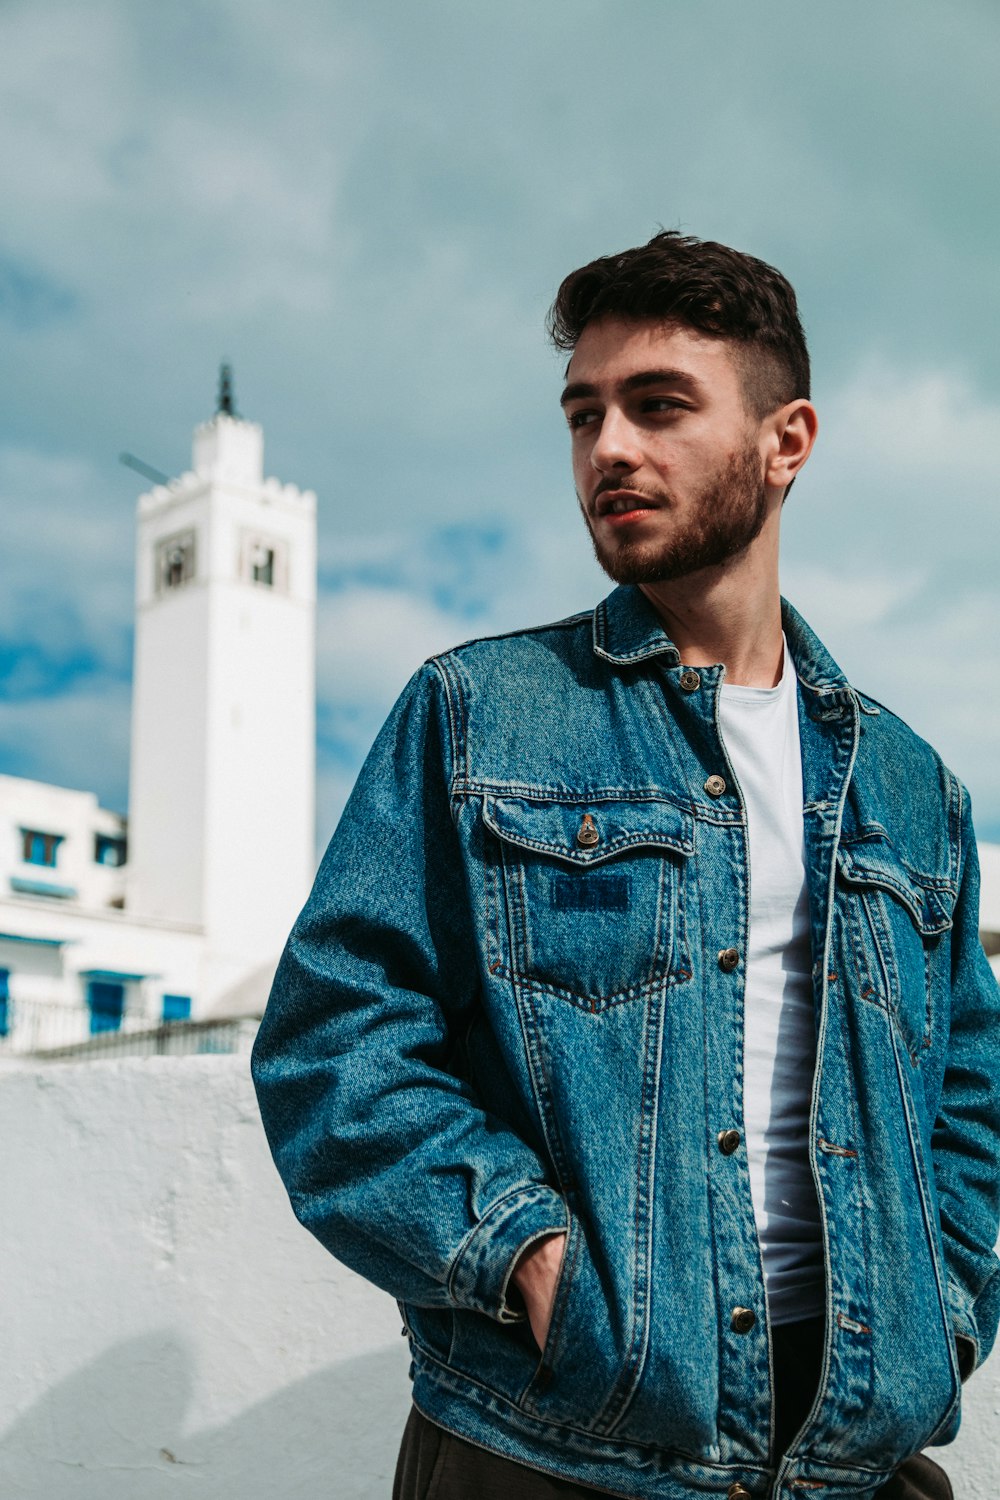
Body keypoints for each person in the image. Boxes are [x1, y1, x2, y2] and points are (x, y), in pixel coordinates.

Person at [252, 232, 1000, 1500]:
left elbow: (971, 1098)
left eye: (659, 406)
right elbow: (337, 1047)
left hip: (851, 1458)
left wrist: (945, 1311)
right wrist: (529, 1258)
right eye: (584, 414)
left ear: (787, 439)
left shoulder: (912, 788)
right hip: (553, 1449)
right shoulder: (479, 715)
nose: (609, 449)